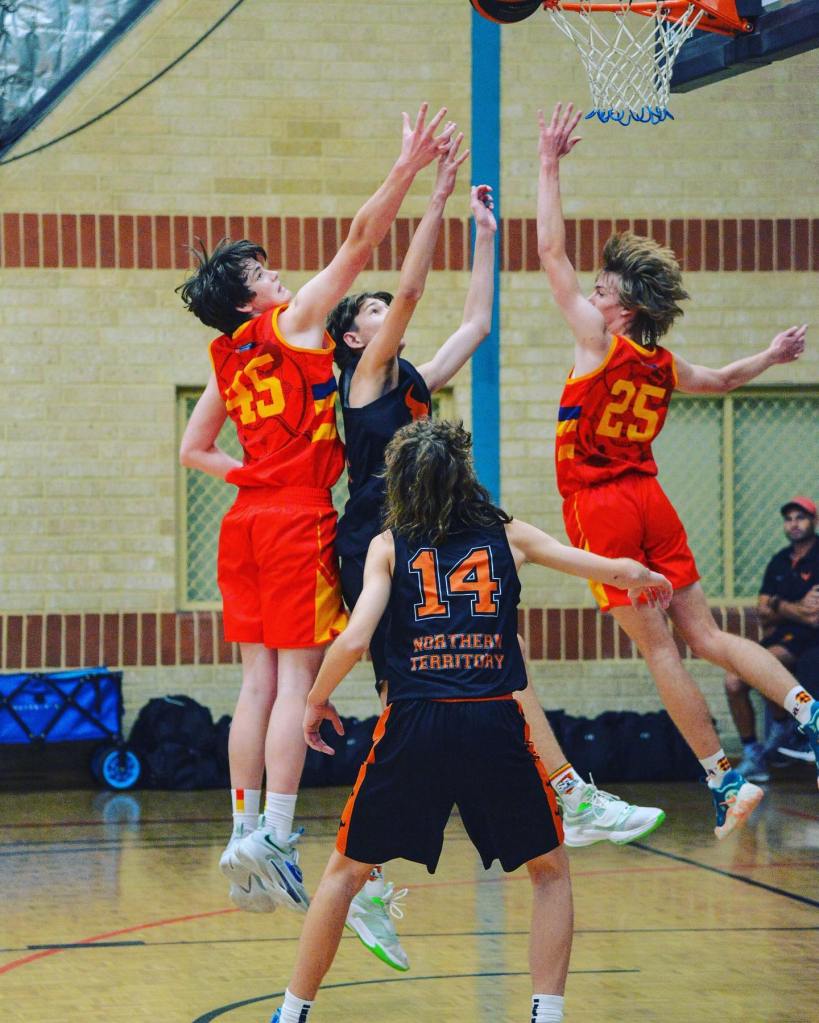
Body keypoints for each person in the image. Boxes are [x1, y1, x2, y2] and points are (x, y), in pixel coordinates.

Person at [269, 417, 672, 1023]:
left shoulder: (388, 546)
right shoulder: (507, 534)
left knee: (344, 875)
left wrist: (314, 699)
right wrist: (641, 575)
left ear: (400, 483)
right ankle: (546, 1014)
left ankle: (291, 1013)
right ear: (463, 475)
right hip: (494, 722)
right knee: (550, 872)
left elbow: (353, 640)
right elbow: (605, 567)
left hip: (414, 724)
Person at [327, 143, 665, 854]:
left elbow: (476, 326)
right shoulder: (364, 378)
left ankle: (568, 795)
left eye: (383, 304)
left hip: (431, 530)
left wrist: (483, 235)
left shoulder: (410, 379)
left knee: (494, 655)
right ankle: (367, 864)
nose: (388, 309)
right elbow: (411, 294)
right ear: (353, 337)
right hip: (376, 541)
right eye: (372, 309)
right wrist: (436, 198)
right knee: (406, 695)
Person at [176, 104, 456, 930]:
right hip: (296, 515)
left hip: (244, 519)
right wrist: (405, 167)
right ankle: (276, 829)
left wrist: (250, 472)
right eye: (263, 273)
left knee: (254, 681)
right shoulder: (292, 324)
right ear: (248, 298)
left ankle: (243, 830)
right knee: (295, 681)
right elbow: (362, 242)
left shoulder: (226, 357)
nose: (277, 277)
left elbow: (193, 449)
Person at [536, 100, 819, 839]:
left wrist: (547, 164)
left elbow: (550, 256)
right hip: (651, 498)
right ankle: (808, 710)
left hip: (601, 506)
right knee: (708, 635)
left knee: (661, 647)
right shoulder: (662, 363)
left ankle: (724, 779)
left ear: (623, 309)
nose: (591, 294)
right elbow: (721, 381)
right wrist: (771, 355)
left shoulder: (598, 341)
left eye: (602, 290)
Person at [726, 496, 819, 780]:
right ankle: (755, 753)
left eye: (800, 518)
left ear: (813, 521)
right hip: (779, 636)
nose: (794, 524)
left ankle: (785, 731)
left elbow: (814, 617)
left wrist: (778, 606)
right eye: (788, 519)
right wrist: (792, 607)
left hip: (809, 641)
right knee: (733, 682)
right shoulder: (780, 560)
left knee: (763, 667)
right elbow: (762, 610)